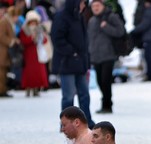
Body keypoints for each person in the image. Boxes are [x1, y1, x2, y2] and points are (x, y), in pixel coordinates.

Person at [51, 0, 95, 128]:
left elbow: (84, 41)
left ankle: (87, 121)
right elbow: (57, 39)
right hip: (67, 63)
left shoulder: (80, 16)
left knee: (84, 95)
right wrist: (71, 52)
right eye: (81, 3)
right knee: (68, 97)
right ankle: (66, 124)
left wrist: (86, 60)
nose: (84, 6)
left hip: (80, 63)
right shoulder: (61, 17)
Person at [88, 0, 125, 114]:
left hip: (108, 54)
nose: (95, 8)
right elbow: (89, 38)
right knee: (99, 81)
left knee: (105, 81)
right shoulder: (92, 20)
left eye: (97, 5)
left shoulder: (111, 17)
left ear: (103, 6)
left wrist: (106, 27)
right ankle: (106, 102)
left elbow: (120, 32)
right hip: (95, 55)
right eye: (93, 6)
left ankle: (107, 104)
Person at [18, 10, 49, 97]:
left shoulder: (39, 29)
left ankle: (36, 88)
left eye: (35, 21)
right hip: (29, 54)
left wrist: (41, 37)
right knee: (28, 73)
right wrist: (31, 38)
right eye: (31, 22)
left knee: (37, 73)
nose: (33, 23)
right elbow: (23, 41)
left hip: (38, 54)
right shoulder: (24, 30)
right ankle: (28, 89)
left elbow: (45, 40)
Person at [0, 6, 20, 98]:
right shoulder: (4, 21)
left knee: (4, 72)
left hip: (5, 51)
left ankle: (3, 89)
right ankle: (1, 90)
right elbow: (1, 35)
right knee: (1, 72)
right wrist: (11, 41)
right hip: (2, 51)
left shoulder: (8, 22)